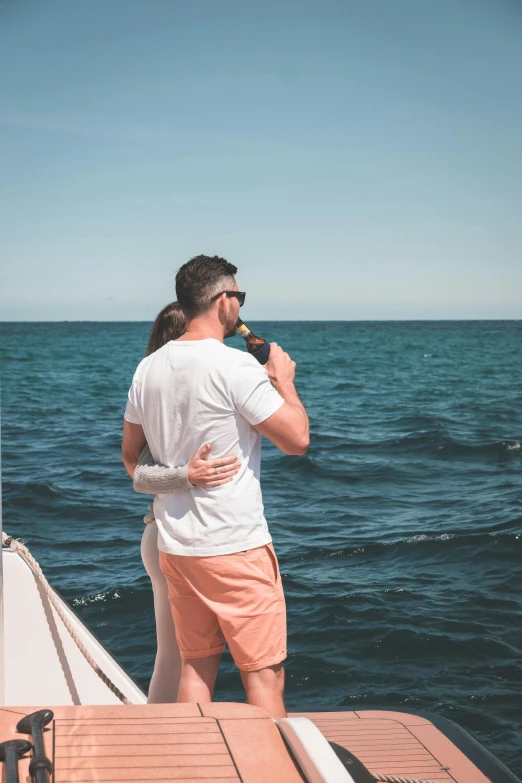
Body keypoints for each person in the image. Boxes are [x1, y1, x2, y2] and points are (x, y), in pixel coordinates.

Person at [122, 255, 309, 718]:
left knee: (195, 669)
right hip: (233, 545)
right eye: (239, 297)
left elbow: (131, 456)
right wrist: (284, 383)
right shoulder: (235, 367)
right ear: (224, 301)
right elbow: (297, 440)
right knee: (264, 676)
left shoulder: (148, 368)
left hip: (177, 546)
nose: (240, 307)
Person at [134, 301, 241, 703]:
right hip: (169, 536)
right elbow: (141, 476)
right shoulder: (161, 403)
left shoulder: (160, 397)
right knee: (181, 657)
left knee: (176, 656)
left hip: (162, 535)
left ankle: (161, 738)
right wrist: (187, 476)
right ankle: (169, 741)